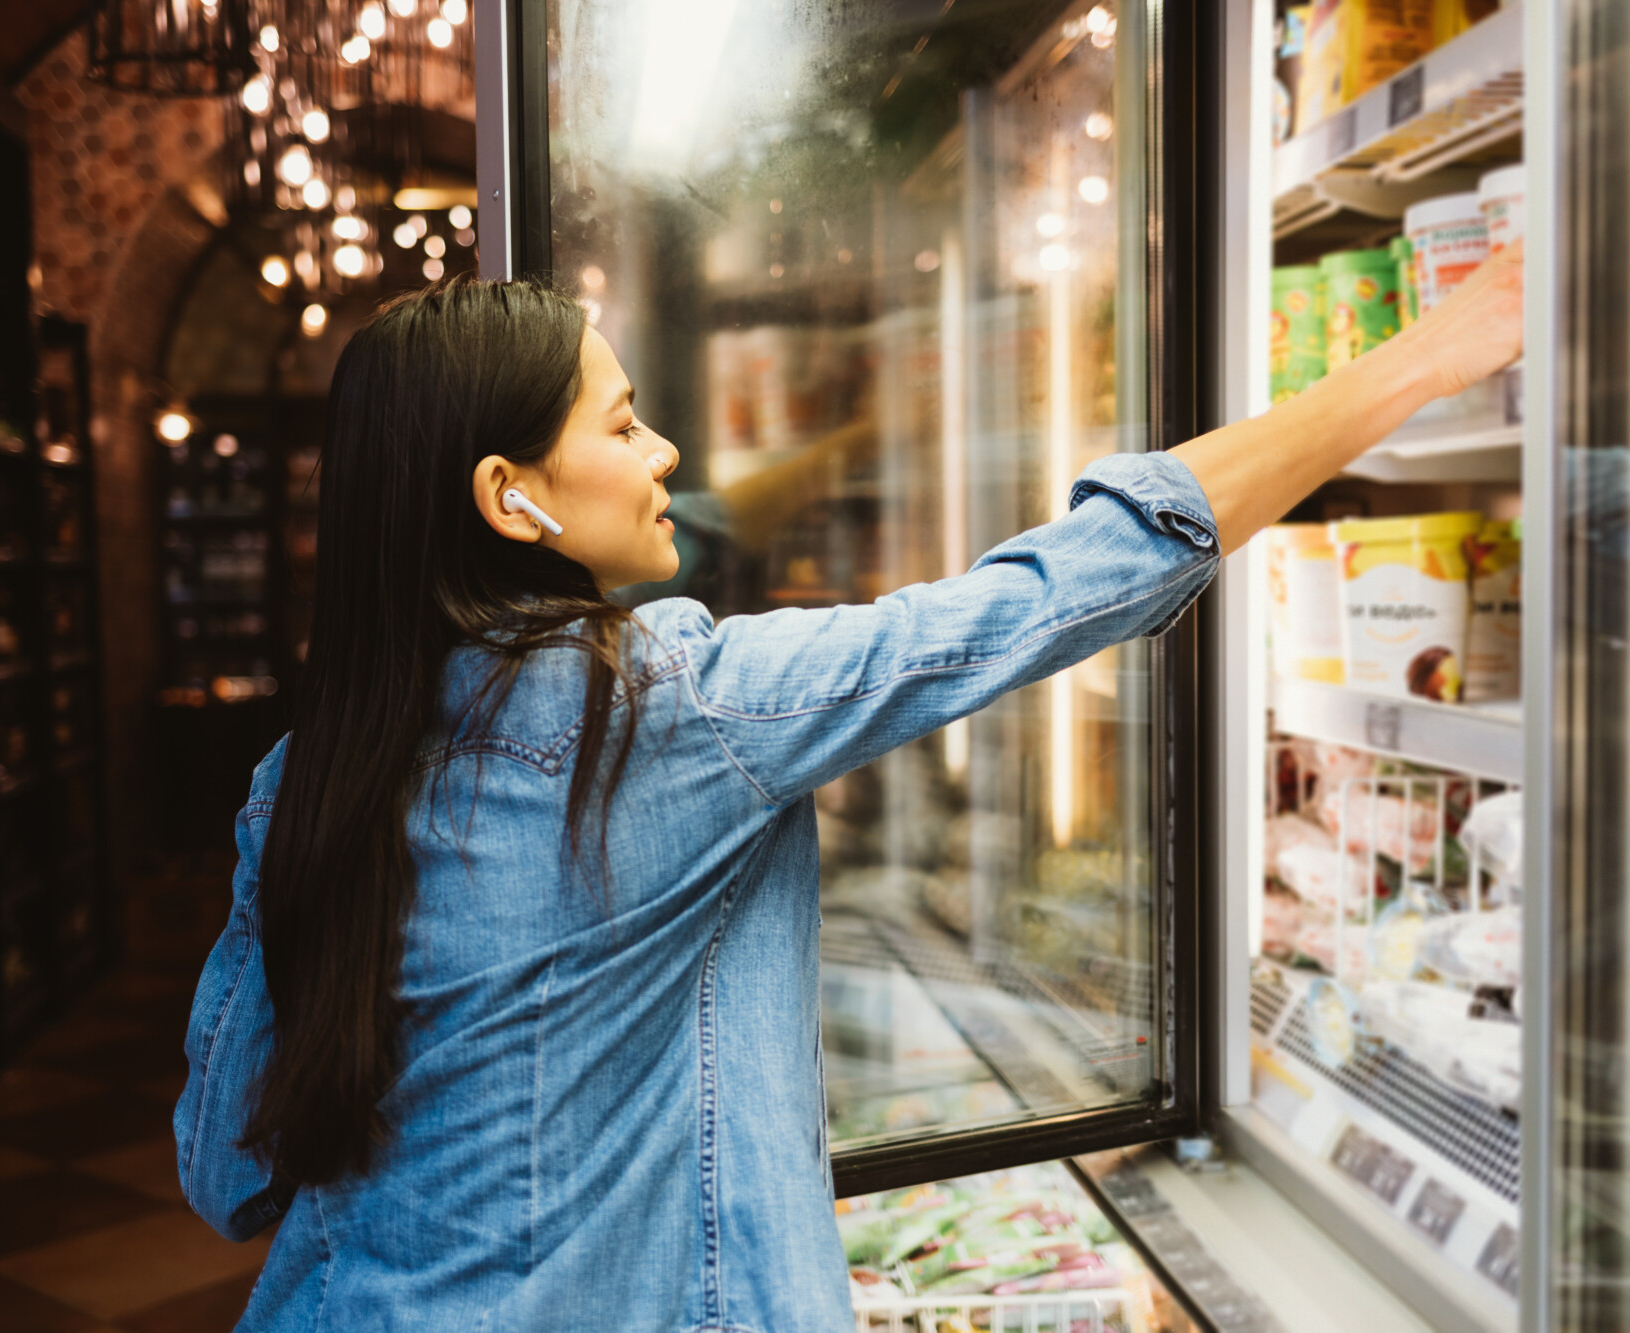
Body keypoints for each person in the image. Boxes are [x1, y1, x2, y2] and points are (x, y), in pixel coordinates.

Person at [175, 247, 1524, 1330]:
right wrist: (1422, 359)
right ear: (510, 496)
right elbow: (1049, 593)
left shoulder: (302, 781)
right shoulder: (662, 711)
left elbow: (225, 1171)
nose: (665, 456)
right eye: (627, 423)